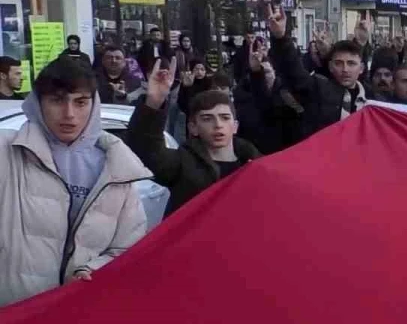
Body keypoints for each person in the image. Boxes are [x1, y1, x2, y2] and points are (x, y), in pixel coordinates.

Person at [0, 57, 150, 306]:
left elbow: (128, 248)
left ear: (94, 104)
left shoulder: (116, 166)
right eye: (57, 100)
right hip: (12, 315)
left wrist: (92, 270)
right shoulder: (7, 152)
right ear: (38, 103)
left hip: (78, 314)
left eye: (80, 102)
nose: (69, 114)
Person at [128, 58, 260, 216]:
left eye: (224, 117)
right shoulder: (182, 163)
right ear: (193, 128)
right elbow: (145, 149)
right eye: (207, 118)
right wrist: (153, 103)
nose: (218, 124)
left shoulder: (255, 164)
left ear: (235, 126)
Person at [266, 5, 371, 140]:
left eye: (351, 64)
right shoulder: (319, 89)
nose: (345, 69)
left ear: (361, 68)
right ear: (330, 66)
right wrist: (280, 37)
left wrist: (361, 42)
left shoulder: (372, 98)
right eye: (339, 63)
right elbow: (293, 71)